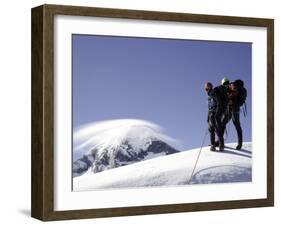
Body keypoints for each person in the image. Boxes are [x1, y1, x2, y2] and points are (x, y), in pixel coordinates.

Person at [221, 79, 247, 150]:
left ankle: (220, 142)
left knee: (223, 123)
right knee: (237, 126)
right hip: (235, 108)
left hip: (232, 108)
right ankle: (239, 143)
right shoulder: (234, 87)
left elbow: (231, 94)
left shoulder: (231, 86)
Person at [205, 82, 224, 152]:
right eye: (205, 88)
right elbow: (209, 107)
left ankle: (218, 145)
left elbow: (219, 103)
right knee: (213, 129)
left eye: (206, 88)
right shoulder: (209, 96)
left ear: (210, 87)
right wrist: (208, 117)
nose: (205, 89)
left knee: (216, 130)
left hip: (215, 114)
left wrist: (217, 113)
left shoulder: (214, 93)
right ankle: (216, 145)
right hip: (211, 114)